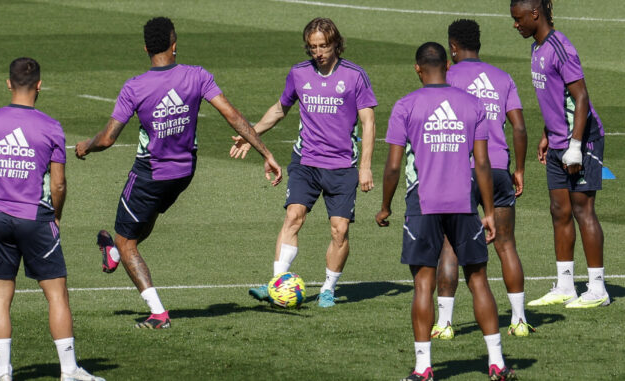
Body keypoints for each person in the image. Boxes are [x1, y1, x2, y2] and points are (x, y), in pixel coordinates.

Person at [75, 17, 282, 329]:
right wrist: (265, 153)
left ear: (146, 48)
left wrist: (85, 147)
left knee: (126, 239)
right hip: (185, 172)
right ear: (174, 44)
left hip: (150, 173)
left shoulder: (135, 87)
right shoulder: (197, 76)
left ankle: (157, 312)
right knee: (144, 221)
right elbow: (233, 116)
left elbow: (107, 139)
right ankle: (115, 252)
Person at [376, 42, 516, 381]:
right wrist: (488, 210)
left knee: (423, 283)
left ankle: (424, 368)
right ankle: (496, 362)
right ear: (446, 67)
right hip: (464, 204)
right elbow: (481, 163)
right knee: (478, 280)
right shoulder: (472, 105)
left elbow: (394, 167)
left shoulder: (406, 106)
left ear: (418, 69)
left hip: (422, 205)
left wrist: (385, 205)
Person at [0, 58, 104, 381]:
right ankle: (69, 371)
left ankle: (3, 373)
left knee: (1, 296)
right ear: (40, 85)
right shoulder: (51, 127)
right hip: (36, 219)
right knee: (56, 294)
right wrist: (55, 216)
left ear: (8, 83)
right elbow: (58, 183)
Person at [232, 17, 377, 308]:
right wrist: (251, 134)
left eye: (324, 46)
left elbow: (368, 121)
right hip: (305, 161)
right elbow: (280, 109)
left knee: (340, 230)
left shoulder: (354, 76)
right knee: (293, 217)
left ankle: (328, 288)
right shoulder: (299, 73)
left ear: (336, 44)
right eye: (313, 47)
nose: (319, 52)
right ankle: (276, 284)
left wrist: (365, 166)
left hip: (341, 166)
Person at [431, 19, 533, 341]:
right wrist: (519, 169)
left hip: (460, 173)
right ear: (480, 44)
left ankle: (444, 324)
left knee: (449, 245)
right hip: (499, 170)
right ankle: (518, 320)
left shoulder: (447, 77)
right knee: (506, 244)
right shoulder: (502, 78)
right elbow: (518, 127)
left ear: (453, 47)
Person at [510, 0, 609, 308]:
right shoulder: (536, 48)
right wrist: (545, 135)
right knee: (559, 210)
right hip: (556, 141)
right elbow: (556, 97)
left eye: (519, 18)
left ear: (535, 14)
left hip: (581, 141)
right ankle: (566, 284)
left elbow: (581, 98)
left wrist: (576, 146)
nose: (516, 25)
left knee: (583, 210)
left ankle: (598, 289)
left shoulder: (560, 47)